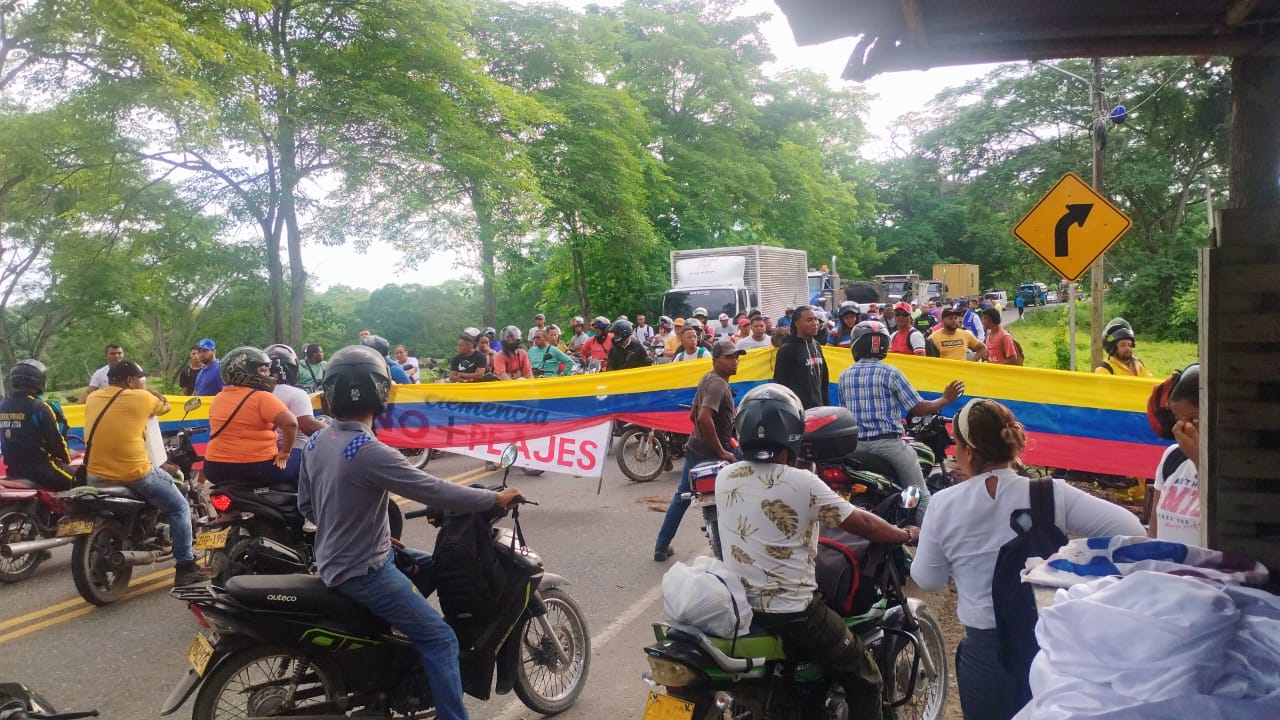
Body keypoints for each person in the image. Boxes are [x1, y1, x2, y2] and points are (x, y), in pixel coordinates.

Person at [300, 344, 522, 720]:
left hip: (342, 558)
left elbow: (308, 506)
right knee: (440, 638)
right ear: (380, 392)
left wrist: (371, 533)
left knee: (441, 568)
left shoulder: (318, 440)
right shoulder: (368, 450)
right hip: (364, 571)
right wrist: (493, 499)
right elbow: (433, 490)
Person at [911, 399, 1144, 720]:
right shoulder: (1050, 493)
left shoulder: (944, 504)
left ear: (969, 452)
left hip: (986, 652)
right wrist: (1073, 560)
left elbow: (928, 579)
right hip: (1049, 643)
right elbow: (1131, 530)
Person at [717, 384, 917, 720]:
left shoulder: (726, 476)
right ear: (793, 434)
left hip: (742, 607)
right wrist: (905, 533)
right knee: (865, 677)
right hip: (794, 613)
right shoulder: (802, 482)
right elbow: (863, 523)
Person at [83, 360, 212, 586]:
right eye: (140, 379)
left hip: (94, 474)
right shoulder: (141, 398)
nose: (142, 382)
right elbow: (165, 406)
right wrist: (148, 391)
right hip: (133, 473)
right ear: (130, 380)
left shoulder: (93, 398)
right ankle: (186, 566)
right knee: (179, 507)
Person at [838, 321, 964, 518]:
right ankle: (924, 535)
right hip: (888, 445)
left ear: (856, 344)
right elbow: (919, 408)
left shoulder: (844, 376)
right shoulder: (891, 373)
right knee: (920, 493)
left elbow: (845, 411)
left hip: (854, 447)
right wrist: (946, 399)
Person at [654, 339, 745, 561]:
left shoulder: (707, 377)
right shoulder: (718, 384)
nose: (734, 361)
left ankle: (661, 546)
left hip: (696, 447)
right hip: (715, 451)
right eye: (728, 358)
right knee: (749, 484)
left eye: (736, 357)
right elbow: (703, 417)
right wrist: (720, 450)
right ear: (715, 360)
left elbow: (693, 415)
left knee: (681, 497)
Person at [201, 347, 301, 488]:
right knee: (302, 456)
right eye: (262, 370)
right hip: (254, 468)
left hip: (214, 468)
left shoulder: (218, 397)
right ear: (245, 373)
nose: (268, 375)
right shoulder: (261, 397)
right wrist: (285, 452)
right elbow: (291, 424)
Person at [0, 360, 74, 491]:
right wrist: (66, 457)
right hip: (42, 471)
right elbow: (56, 441)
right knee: (82, 481)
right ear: (39, 380)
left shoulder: (3, 406)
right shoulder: (39, 407)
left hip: (13, 470)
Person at [1147, 365, 1201, 544]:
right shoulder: (1172, 457)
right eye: (1178, 419)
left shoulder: (1234, 465)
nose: (1183, 427)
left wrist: (1199, 460)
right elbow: (1153, 532)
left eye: (1194, 419)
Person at [266, 344, 326, 478]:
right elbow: (307, 426)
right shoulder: (296, 394)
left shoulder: (257, 393)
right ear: (291, 368)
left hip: (265, 454)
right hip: (293, 453)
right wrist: (334, 432)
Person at [773, 305, 829, 409]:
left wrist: (825, 407)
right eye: (809, 320)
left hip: (819, 411)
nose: (815, 323)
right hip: (797, 412)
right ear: (797, 324)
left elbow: (824, 381)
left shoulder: (816, 345)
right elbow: (780, 386)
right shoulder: (787, 349)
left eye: (816, 319)